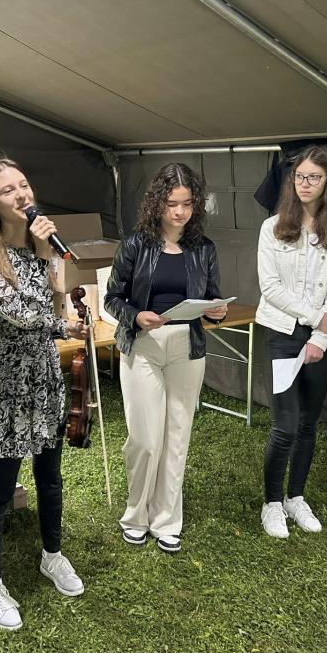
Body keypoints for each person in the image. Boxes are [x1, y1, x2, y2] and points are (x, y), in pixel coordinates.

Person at [0, 156, 88, 631]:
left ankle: (52, 555)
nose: (22, 195)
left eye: (24, 185)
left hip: (46, 375)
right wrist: (63, 325)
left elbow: (55, 304)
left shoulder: (43, 250)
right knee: (0, 488)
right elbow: (21, 315)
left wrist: (51, 260)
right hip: (9, 382)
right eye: (8, 190)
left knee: (50, 477)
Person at [104, 163, 228, 554]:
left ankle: (167, 521)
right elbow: (112, 298)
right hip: (143, 344)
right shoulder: (135, 245)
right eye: (172, 203)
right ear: (157, 203)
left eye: (187, 204)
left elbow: (211, 297)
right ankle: (135, 516)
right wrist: (135, 316)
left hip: (187, 347)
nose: (180, 212)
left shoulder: (204, 248)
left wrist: (216, 311)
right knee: (145, 439)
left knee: (177, 436)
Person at [255, 145, 327, 538]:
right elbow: (270, 287)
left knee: (309, 423)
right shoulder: (273, 227)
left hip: (321, 340)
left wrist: (322, 337)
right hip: (281, 334)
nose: (305, 183)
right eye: (299, 176)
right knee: (286, 426)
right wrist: (316, 320)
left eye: (314, 177)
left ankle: (296, 496)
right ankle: (272, 502)